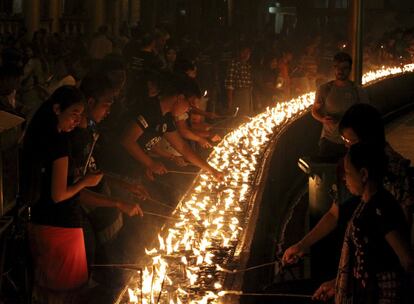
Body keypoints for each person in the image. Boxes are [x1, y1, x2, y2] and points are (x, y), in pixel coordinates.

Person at [282, 103, 414, 301]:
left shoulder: (392, 178)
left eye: (349, 140)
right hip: (354, 268)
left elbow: (400, 248)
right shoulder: (351, 165)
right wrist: (302, 245)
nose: (345, 145)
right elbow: (335, 213)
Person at [21, 86, 103, 301]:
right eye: (74, 113)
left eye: (80, 115)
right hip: (61, 227)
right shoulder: (58, 143)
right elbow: (59, 194)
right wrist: (85, 182)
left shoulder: (39, 136)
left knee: (48, 289)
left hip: (41, 222)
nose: (77, 120)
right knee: (65, 292)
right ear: (57, 109)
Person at [334, 143, 413, 303]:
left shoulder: (381, 207)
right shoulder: (366, 204)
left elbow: (407, 259)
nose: (345, 179)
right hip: (367, 292)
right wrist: (335, 284)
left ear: (363, 174)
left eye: (348, 173)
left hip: (383, 295)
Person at [120, 76, 223, 181]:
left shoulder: (166, 117)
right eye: (190, 104)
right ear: (180, 98)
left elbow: (183, 147)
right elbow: (127, 141)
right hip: (118, 166)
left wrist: (212, 170)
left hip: (132, 169)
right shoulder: (150, 110)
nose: (189, 109)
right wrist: (150, 163)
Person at [311, 52, 369, 159]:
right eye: (337, 67)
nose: (340, 71)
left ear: (350, 69)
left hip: (351, 143)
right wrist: (323, 119)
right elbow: (314, 110)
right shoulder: (324, 89)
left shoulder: (357, 90)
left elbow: (367, 114)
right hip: (329, 141)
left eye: (344, 68)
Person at [225, 43, 253, 115]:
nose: (246, 55)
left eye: (248, 53)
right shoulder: (234, 64)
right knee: (237, 117)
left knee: (246, 116)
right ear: (239, 52)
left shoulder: (247, 66)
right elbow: (229, 84)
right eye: (244, 52)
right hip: (237, 94)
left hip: (247, 94)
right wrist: (230, 100)